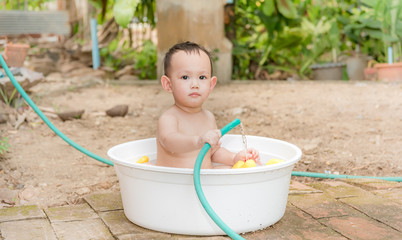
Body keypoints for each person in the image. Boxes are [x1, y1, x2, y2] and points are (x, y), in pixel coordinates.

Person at [156, 41, 260, 169]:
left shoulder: (209, 117)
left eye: (202, 77)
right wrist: (198, 141)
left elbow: (213, 152)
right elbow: (170, 142)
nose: (195, 84)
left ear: (211, 84)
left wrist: (234, 158)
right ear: (168, 84)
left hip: (205, 181)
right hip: (173, 182)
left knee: (229, 171)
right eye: (185, 77)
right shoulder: (169, 118)